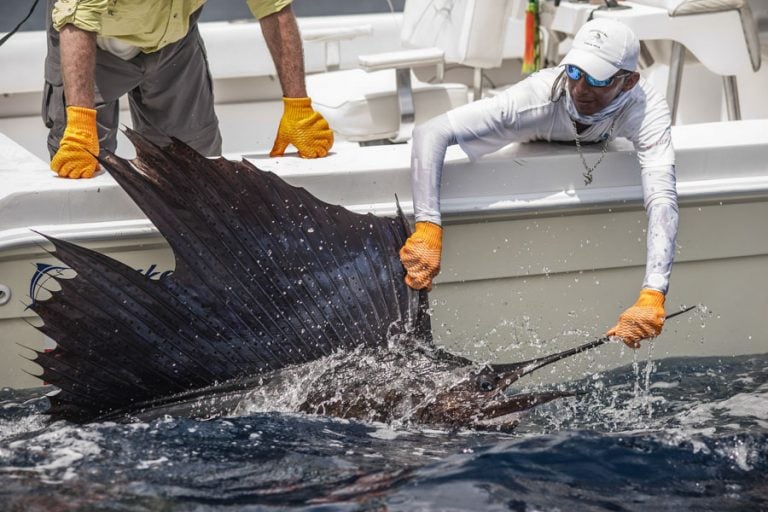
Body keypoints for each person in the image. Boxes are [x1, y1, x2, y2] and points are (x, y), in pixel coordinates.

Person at [399, 18, 678, 348]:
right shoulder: (536, 98)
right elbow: (430, 132)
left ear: (629, 82)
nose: (580, 88)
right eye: (574, 71)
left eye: (597, 78)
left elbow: (661, 197)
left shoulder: (645, 108)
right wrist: (428, 227)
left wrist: (653, 292)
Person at [44, 0, 333, 180]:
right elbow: (78, 18)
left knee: (197, 167)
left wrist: (298, 107)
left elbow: (274, 7)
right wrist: (81, 122)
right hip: (91, 40)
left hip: (174, 38)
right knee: (82, 165)